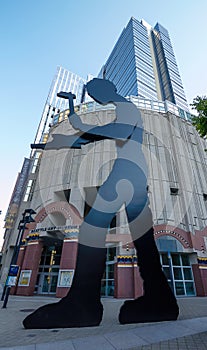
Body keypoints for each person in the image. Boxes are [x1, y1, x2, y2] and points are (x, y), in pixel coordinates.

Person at [23, 78, 179, 329]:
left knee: (93, 226)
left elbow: (117, 131)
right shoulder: (123, 109)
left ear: (108, 89)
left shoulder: (126, 107)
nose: (96, 99)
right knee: (142, 237)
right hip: (133, 172)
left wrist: (82, 130)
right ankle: (159, 298)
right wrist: (62, 141)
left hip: (127, 171)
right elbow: (91, 136)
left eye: (95, 94)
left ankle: (83, 303)